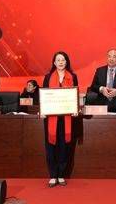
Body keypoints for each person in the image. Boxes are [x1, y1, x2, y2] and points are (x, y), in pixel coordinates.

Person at [43, 51, 79, 187]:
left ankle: (61, 174)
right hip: (51, 117)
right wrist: (43, 110)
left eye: (63, 60)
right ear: (54, 62)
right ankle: (53, 175)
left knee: (64, 146)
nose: (61, 62)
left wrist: (75, 108)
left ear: (66, 62)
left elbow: (75, 94)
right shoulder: (48, 77)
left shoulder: (73, 76)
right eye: (58, 60)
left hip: (66, 117)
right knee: (51, 146)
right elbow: (44, 95)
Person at [89, 49, 116, 113]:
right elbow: (93, 86)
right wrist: (102, 89)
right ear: (107, 58)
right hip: (101, 107)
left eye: (114, 57)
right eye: (109, 56)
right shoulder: (100, 71)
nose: (111, 59)